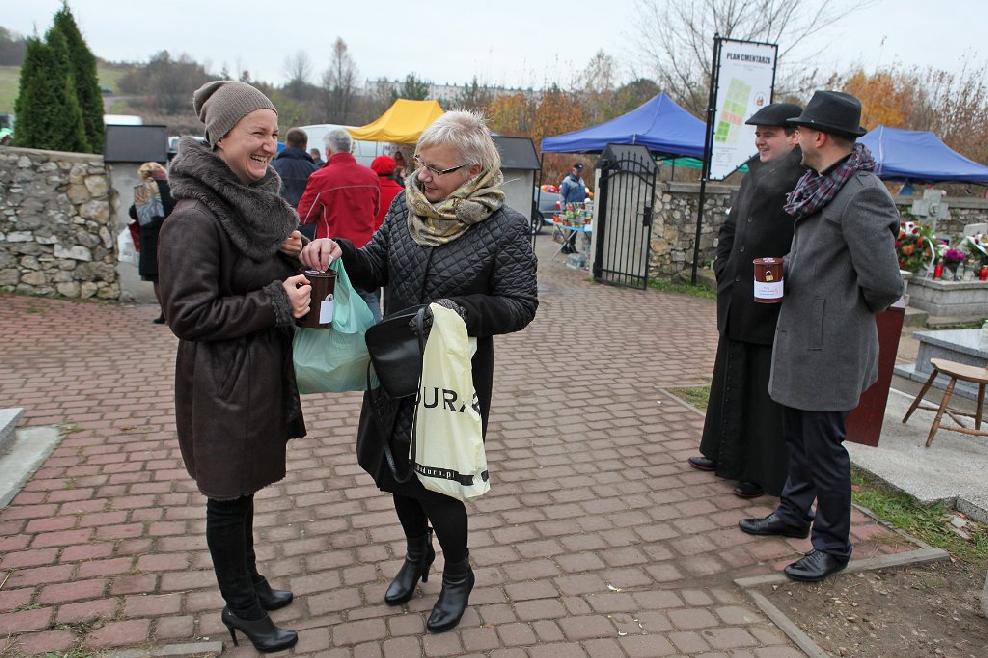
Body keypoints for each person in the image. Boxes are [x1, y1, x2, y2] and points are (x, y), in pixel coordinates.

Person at [300, 110, 538, 632]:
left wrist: (459, 310)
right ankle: (417, 554)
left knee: (438, 481)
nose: (421, 176)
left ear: (473, 171)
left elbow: (520, 306)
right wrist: (340, 252)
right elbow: (375, 267)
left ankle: (458, 573)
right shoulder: (404, 208)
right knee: (394, 470)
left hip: (452, 377)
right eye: (419, 163)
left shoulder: (506, 228)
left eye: (436, 169)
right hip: (394, 365)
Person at [158, 80, 312, 653]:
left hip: (253, 373)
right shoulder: (195, 217)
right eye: (257, 133)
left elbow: (248, 272)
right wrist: (276, 301)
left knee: (242, 490)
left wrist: (292, 254)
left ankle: (249, 583)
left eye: (274, 133)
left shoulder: (249, 206)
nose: (270, 145)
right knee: (227, 496)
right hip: (220, 381)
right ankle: (240, 607)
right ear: (221, 137)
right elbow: (188, 314)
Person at [739, 91, 904, 582]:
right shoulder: (820, 184)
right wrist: (785, 270)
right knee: (798, 438)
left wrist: (838, 311)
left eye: (801, 129)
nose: (795, 136)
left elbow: (884, 284)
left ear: (820, 137)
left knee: (825, 450)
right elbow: (821, 257)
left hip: (831, 347)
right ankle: (794, 512)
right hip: (802, 339)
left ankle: (833, 546)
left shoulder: (862, 193)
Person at [688, 103, 804, 499]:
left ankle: (758, 470)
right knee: (728, 377)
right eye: (757, 134)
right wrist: (722, 267)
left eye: (769, 134)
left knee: (760, 391)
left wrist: (780, 275)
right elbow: (731, 225)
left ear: (793, 136)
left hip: (770, 300)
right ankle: (720, 452)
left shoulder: (802, 178)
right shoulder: (754, 172)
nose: (760, 140)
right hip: (737, 293)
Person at [297, 129, 382, 319]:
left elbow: (304, 216)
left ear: (328, 151)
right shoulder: (371, 176)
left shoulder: (321, 177)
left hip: (331, 253)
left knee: (329, 305)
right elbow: (375, 211)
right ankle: (376, 335)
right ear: (351, 149)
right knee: (367, 298)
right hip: (365, 250)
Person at [128, 162, 175, 324]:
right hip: (174, 237)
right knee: (174, 277)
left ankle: (165, 314)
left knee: (158, 279)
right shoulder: (173, 187)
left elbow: (133, 213)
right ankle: (176, 313)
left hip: (151, 241)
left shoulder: (144, 190)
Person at [271, 127, 317, 208]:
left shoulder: (272, 167)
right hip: (304, 215)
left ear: (286, 143)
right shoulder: (315, 171)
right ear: (305, 146)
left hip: (278, 213)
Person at [558, 163, 586, 252]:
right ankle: (564, 247)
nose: (579, 173)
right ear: (573, 170)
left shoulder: (581, 181)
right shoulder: (567, 180)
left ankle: (572, 247)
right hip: (569, 209)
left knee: (575, 230)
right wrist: (563, 209)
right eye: (578, 171)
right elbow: (562, 195)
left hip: (579, 209)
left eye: (580, 171)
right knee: (567, 229)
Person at [371, 155, 403, 227]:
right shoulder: (402, 193)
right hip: (392, 231)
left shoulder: (366, 191)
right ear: (394, 171)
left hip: (369, 231)